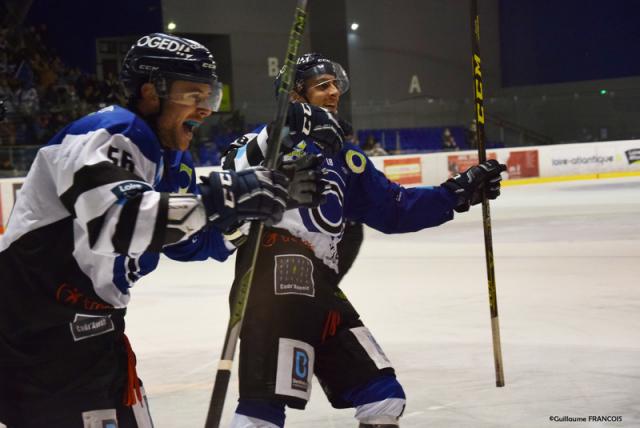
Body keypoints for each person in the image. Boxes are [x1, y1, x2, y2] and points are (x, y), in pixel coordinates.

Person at [0, 33, 299, 428]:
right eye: (194, 95)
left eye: (210, 97)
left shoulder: (168, 158)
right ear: (150, 92)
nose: (206, 109)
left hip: (90, 338)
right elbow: (117, 222)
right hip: (38, 340)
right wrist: (222, 199)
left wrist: (256, 208)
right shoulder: (114, 132)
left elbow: (191, 239)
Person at [222, 52, 507, 428]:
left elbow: (395, 209)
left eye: (336, 84)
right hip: (273, 273)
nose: (335, 91)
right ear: (294, 95)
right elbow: (229, 184)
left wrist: (456, 193)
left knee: (382, 395)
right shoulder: (263, 142)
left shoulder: (345, 156)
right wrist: (286, 129)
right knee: (264, 408)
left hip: (320, 283)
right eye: (322, 86)